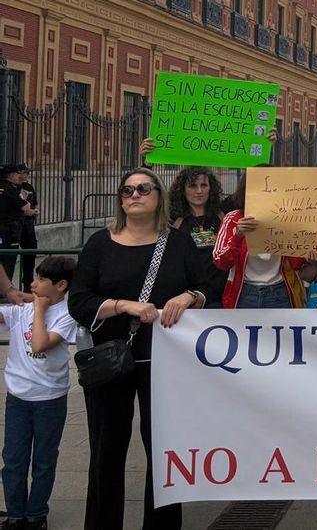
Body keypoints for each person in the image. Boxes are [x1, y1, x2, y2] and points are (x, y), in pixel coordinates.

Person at [69, 168, 215, 530]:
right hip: (110, 360)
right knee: (106, 450)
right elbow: (79, 301)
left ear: (158, 197)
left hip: (165, 362)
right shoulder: (100, 244)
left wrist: (189, 296)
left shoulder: (178, 243)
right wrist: (124, 306)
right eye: (127, 190)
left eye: (143, 188)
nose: (134, 194)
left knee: (164, 450)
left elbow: (205, 285)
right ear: (121, 199)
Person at [1, 256, 77, 530]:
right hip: (18, 398)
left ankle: (36, 514)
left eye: (41, 280)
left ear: (61, 285)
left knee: (44, 460)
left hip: (50, 399)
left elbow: (39, 345)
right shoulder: (21, 308)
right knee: (13, 458)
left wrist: (38, 309)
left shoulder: (66, 315)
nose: (33, 284)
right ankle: (15, 513)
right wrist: (13, 294)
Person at [211, 174, 311, 309]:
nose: (266, 193)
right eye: (260, 189)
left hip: (279, 292)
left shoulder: (288, 219)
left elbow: (296, 263)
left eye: (273, 189)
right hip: (244, 292)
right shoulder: (233, 219)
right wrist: (238, 236)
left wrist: (308, 255)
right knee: (242, 330)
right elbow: (220, 261)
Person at [166, 166, 228, 299]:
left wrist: (264, 148)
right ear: (182, 189)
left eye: (204, 185)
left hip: (221, 298)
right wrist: (146, 164)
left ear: (211, 188)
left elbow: (250, 190)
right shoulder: (172, 219)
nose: (199, 191)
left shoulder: (224, 214)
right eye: (193, 186)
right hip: (184, 297)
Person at [0, 164, 36, 290]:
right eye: (17, 173)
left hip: (9, 228)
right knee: (8, 260)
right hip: (11, 229)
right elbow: (25, 207)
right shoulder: (10, 189)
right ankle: (4, 290)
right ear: (12, 175)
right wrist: (25, 199)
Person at [15, 164, 37, 293]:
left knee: (29, 253)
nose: (27, 175)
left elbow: (34, 203)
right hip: (15, 224)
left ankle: (27, 284)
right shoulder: (11, 188)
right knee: (9, 256)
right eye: (25, 172)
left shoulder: (28, 186)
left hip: (28, 224)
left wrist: (35, 211)